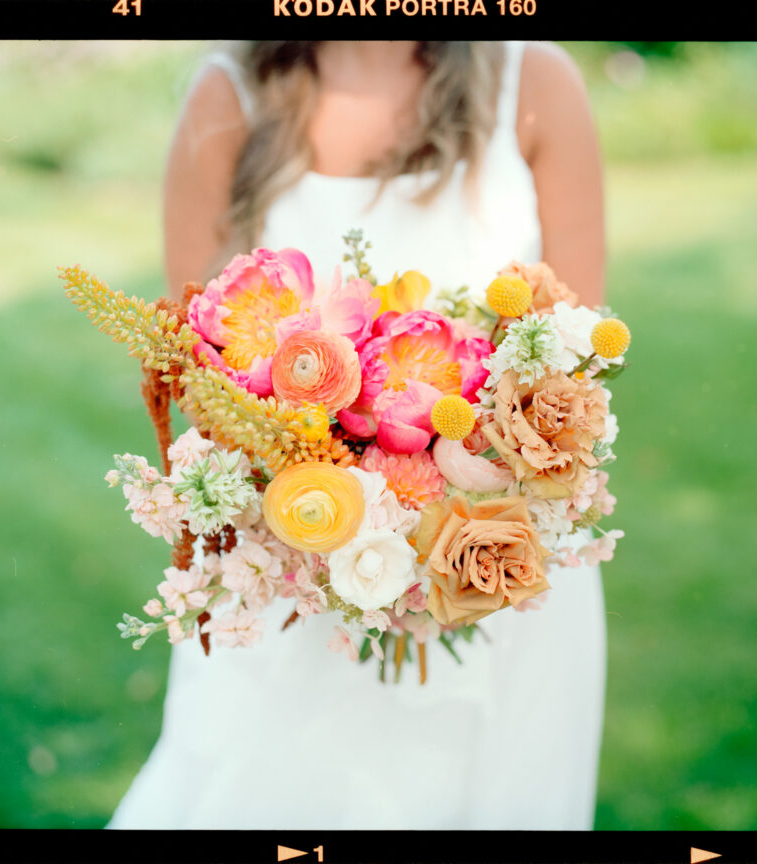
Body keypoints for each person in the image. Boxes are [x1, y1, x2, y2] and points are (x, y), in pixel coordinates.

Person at [108, 39, 608, 830]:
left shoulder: (534, 80)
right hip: (294, 564)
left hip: (498, 558)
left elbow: (573, 351)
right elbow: (204, 376)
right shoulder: (226, 95)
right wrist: (346, 531)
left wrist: (444, 528)